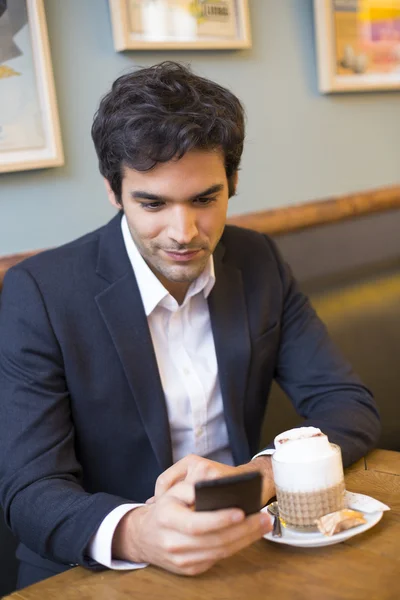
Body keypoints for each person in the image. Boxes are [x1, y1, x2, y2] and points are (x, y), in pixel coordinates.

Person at [0, 61, 380, 589]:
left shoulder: (258, 259)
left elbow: (347, 404)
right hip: (95, 570)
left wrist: (260, 475)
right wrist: (138, 531)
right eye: (152, 203)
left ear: (233, 183)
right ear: (114, 191)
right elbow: (29, 491)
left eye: (205, 199)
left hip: (250, 547)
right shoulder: (39, 292)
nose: (183, 233)